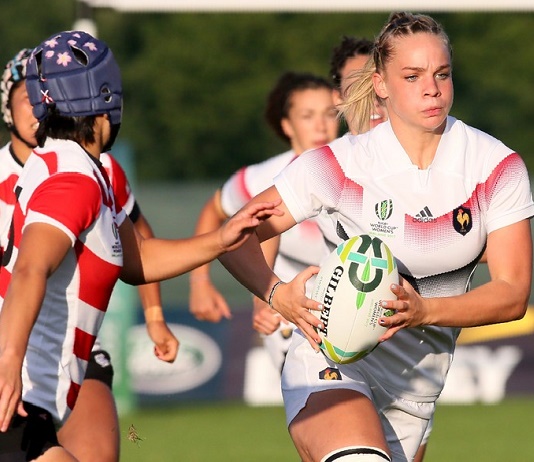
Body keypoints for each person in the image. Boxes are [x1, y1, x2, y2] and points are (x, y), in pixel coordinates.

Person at [218, 12, 533, 462]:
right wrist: (275, 293)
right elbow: (233, 237)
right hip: (330, 363)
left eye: (442, 74)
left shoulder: (496, 167)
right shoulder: (338, 163)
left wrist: (424, 310)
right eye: (412, 75)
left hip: (416, 392)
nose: (432, 88)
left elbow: (511, 293)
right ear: (381, 84)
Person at [0, 31, 280, 461]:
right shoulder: (74, 181)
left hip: (31, 407)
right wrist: (9, 360)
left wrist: (219, 240)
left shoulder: (73, 166)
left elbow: (139, 259)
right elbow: (30, 269)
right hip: (15, 402)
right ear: (106, 97)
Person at [0, 47, 179, 462]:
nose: (38, 105)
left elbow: (140, 245)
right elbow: (27, 270)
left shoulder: (98, 168)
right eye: (26, 96)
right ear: (8, 108)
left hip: (70, 351)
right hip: (14, 348)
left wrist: (155, 319)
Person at [189, 71, 338, 373]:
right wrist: (200, 282)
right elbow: (213, 211)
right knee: (317, 400)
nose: (321, 125)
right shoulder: (260, 179)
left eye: (330, 114)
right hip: (286, 314)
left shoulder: (358, 170)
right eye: (308, 115)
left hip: (351, 308)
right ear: (287, 125)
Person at [329, 36, 387, 132]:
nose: (373, 100)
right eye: (358, 88)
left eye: (379, 84)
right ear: (338, 99)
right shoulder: (332, 147)